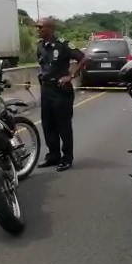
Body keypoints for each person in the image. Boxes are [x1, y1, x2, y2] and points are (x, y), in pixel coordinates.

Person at [35, 17, 88, 172]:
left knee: (63, 126)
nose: (38, 30)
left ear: (50, 28)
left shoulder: (63, 44)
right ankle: (53, 155)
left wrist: (71, 76)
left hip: (61, 90)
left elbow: (84, 58)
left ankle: (67, 158)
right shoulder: (40, 46)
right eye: (37, 27)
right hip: (46, 89)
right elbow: (43, 65)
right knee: (48, 125)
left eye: (41, 27)